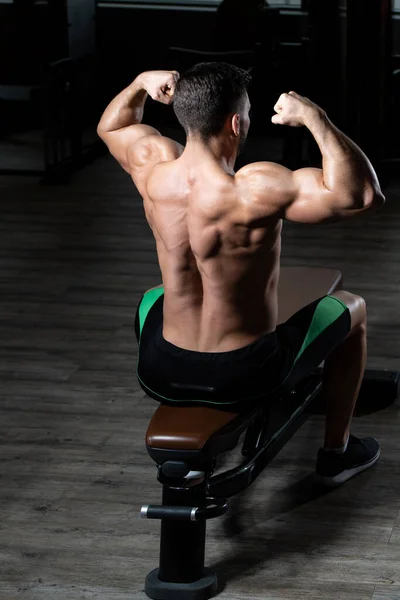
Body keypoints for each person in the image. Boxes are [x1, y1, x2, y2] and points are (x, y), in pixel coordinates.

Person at [97, 63, 385, 487]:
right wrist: (314, 119)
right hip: (243, 372)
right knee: (353, 308)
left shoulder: (152, 168)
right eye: (246, 113)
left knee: (154, 295)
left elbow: (113, 126)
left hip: (159, 367)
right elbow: (361, 195)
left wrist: (140, 82)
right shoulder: (255, 187)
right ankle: (336, 455)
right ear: (236, 123)